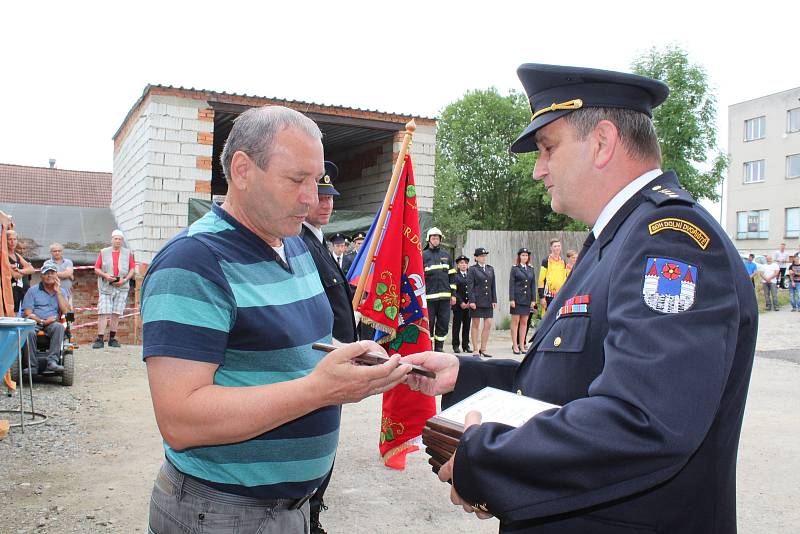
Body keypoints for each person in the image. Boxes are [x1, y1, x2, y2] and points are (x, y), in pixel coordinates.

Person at [404, 63, 757, 534]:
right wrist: (468, 373)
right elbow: (582, 373)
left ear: (603, 142)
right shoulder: (616, 240)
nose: (537, 169)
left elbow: (644, 421)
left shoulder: (667, 240)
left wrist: (485, 460)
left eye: (548, 148)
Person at [141, 105, 410, 534]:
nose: (312, 196)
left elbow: (301, 347)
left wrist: (354, 356)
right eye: (296, 180)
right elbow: (180, 418)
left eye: (316, 178)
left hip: (289, 510)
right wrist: (317, 391)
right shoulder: (193, 262)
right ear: (243, 169)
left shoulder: (294, 244)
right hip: (222, 513)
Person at [299, 160, 356, 533]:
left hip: (338, 353)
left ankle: (312, 510)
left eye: (331, 196)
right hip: (321, 357)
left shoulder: (318, 243)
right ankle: (310, 513)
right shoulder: (298, 244)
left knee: (327, 433)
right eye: (320, 195)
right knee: (315, 433)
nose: (327, 203)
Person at [21, 260, 71, 373]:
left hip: (53, 323)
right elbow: (27, 313)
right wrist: (42, 321)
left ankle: (52, 362)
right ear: (41, 276)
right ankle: (32, 366)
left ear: (56, 275)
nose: (49, 276)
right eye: (46, 273)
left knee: (59, 327)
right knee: (28, 332)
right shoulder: (32, 291)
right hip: (35, 321)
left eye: (52, 273)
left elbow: (66, 311)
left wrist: (58, 292)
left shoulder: (62, 291)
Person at [92, 230, 135, 348]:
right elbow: (96, 268)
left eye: (120, 239)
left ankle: (112, 338)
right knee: (103, 312)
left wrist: (125, 280)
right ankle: (100, 338)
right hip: (106, 286)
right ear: (112, 240)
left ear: (122, 241)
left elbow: (132, 269)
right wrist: (106, 276)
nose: (118, 241)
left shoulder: (128, 253)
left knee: (116, 313)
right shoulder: (104, 252)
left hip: (122, 286)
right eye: (116, 239)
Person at [422, 227, 456, 352]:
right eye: (433, 238)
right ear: (429, 240)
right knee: (429, 324)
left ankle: (439, 348)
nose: (436, 240)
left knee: (443, 323)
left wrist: (453, 295)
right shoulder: (423, 256)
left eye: (437, 238)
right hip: (429, 298)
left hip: (445, 298)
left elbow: (452, 276)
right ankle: (428, 349)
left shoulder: (446, 255)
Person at [466, 247, 496, 358]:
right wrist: (472, 300)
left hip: (488, 301)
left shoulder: (490, 269)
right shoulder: (472, 269)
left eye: (485, 256)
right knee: (475, 324)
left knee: (488, 323)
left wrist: (494, 300)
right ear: (476, 257)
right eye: (481, 256)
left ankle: (483, 348)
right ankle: (475, 349)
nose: (484, 258)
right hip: (477, 301)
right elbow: (470, 286)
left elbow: (493, 286)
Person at [509, 247, 535, 354]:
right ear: (519, 256)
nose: (525, 257)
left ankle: (522, 345)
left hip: (527, 299)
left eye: (526, 255)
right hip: (517, 299)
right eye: (523, 255)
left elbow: (533, 285)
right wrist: (511, 299)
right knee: (515, 322)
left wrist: (533, 299)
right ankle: (515, 345)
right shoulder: (515, 268)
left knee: (524, 322)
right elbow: (511, 285)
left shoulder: (531, 269)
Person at [6, 229, 34, 313]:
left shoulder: (16, 255)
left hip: (18, 291)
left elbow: (31, 269)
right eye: (10, 239)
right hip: (7, 292)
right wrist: (22, 271)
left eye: (14, 239)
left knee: (16, 316)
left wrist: (20, 271)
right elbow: (15, 275)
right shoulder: (3, 255)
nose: (12, 242)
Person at [537, 238, 566, 314]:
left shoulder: (563, 261)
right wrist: (542, 297)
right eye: (555, 246)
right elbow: (541, 280)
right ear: (551, 248)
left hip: (560, 294)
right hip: (548, 295)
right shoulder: (546, 261)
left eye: (559, 246)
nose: (557, 248)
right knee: (547, 316)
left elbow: (565, 278)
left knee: (559, 315)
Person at [451, 255, 471, 354]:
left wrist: (469, 302)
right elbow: (455, 291)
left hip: (468, 305)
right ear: (458, 265)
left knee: (467, 326)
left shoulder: (470, 275)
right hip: (458, 305)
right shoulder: (455, 275)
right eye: (461, 263)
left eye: (465, 263)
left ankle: (466, 345)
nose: (464, 265)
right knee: (457, 326)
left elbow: (472, 289)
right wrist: (461, 302)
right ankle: (455, 345)